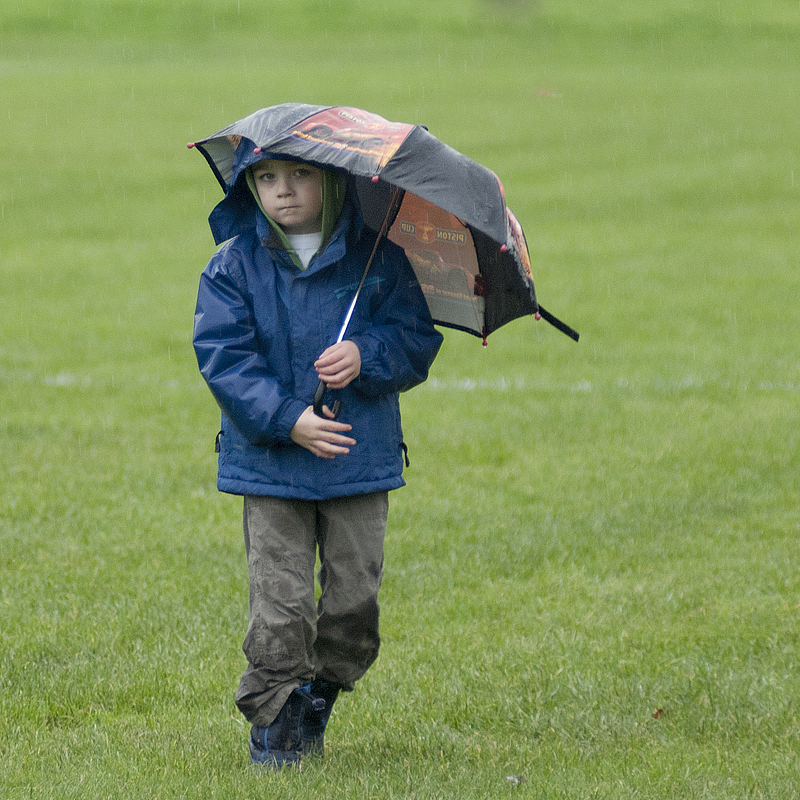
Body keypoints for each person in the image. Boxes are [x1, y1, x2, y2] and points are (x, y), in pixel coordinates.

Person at [192, 141, 443, 768]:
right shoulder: (233, 267)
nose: (283, 190)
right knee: (282, 606)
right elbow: (224, 358)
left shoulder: (379, 261)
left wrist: (367, 353)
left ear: (335, 184)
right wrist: (288, 418)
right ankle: (276, 717)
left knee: (353, 604)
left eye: (301, 174)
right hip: (271, 464)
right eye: (268, 178)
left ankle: (319, 695)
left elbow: (415, 337)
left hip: (357, 460)